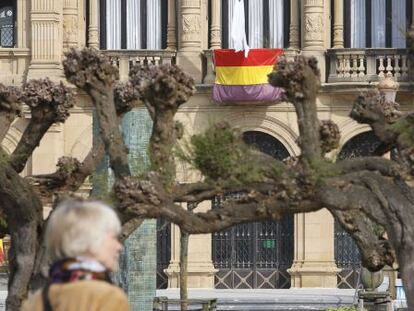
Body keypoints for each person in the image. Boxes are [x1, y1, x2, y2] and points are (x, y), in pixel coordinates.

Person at [22, 200, 128, 311]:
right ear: (92, 241)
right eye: (114, 238)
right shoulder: (109, 298)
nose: (119, 247)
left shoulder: (36, 302)